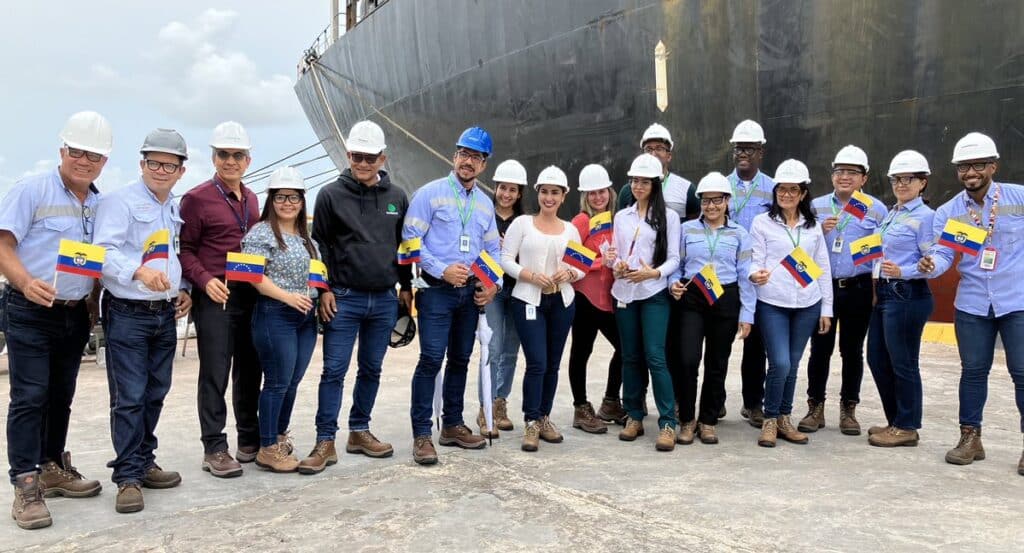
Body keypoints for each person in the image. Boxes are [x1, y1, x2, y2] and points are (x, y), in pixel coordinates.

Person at [0, 111, 110, 529]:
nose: (84, 161)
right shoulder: (31, 190)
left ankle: (50, 465)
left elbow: (97, 258)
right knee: (30, 396)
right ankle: (26, 483)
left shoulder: (98, 203)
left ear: (104, 161)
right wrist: (26, 282)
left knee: (60, 395)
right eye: (77, 151)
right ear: (62, 150)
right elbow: (3, 244)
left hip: (74, 313)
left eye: (94, 155)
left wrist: (94, 301)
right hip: (30, 309)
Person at [92, 129, 192, 513]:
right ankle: (128, 476)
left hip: (164, 312)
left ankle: (145, 461)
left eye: (169, 165)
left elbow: (172, 253)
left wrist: (183, 287)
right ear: (142, 164)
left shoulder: (172, 207)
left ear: (181, 171)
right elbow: (102, 251)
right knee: (129, 396)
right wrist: (137, 271)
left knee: (155, 392)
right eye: (154, 163)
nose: (161, 170)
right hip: (128, 311)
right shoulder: (119, 202)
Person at [304, 121, 411, 474]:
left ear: (383, 158)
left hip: (384, 298)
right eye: (356, 156)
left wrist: (405, 288)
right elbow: (318, 247)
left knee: (372, 368)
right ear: (348, 155)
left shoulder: (397, 197)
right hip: (343, 298)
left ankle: (359, 431)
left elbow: (404, 248)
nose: (362, 163)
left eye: (369, 157)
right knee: (333, 371)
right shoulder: (330, 196)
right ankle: (325, 440)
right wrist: (323, 291)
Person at [918, 132, 1024, 476]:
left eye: (978, 165)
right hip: (973, 304)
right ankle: (970, 438)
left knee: (1022, 373)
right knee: (973, 372)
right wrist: (932, 265)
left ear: (993, 166)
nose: (970, 172)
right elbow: (944, 253)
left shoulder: (1019, 198)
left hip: (1017, 301)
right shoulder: (949, 212)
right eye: (964, 167)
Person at [402, 127, 501, 465]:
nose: (468, 162)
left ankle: (453, 425)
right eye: (464, 154)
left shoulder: (485, 204)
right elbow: (410, 241)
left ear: (484, 164)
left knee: (460, 359)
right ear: (455, 155)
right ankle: (422, 434)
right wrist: (441, 269)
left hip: (469, 294)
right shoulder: (429, 194)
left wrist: (491, 284)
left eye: (475, 157)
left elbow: (492, 250)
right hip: (436, 291)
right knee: (431, 359)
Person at [179, 121, 262, 478]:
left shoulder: (253, 198)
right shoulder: (196, 199)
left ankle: (249, 439)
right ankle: (214, 446)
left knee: (250, 370)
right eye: (224, 154)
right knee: (215, 372)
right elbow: (185, 250)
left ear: (248, 160)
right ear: (213, 157)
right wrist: (204, 281)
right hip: (216, 297)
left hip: (250, 295)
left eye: (237, 155)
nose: (230, 161)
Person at [801, 146, 888, 436]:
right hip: (824, 287)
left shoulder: (876, 209)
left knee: (852, 351)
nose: (845, 177)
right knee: (820, 349)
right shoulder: (816, 206)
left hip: (858, 287)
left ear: (864, 178)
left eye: (852, 172)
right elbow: (802, 246)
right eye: (840, 171)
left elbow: (880, 253)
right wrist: (820, 232)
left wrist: (875, 289)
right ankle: (815, 407)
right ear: (832, 175)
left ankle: (849, 409)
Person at [748, 159, 833, 448]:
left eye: (793, 189)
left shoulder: (813, 226)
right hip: (772, 301)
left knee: (793, 363)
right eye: (781, 189)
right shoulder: (762, 223)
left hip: (808, 303)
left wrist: (826, 308)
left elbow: (823, 267)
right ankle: (770, 419)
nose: (786, 194)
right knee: (780, 362)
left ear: (803, 193)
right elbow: (755, 259)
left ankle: (784, 418)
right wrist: (754, 274)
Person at [500, 166, 584, 451]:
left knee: (553, 363)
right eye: (545, 192)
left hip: (562, 302)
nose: (549, 198)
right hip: (528, 300)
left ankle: (544, 417)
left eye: (555, 193)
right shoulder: (522, 224)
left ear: (563, 196)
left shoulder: (571, 229)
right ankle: (531, 421)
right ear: (537, 193)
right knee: (537, 361)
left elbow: (581, 267)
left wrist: (569, 273)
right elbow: (505, 259)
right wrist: (530, 276)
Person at [669, 172, 755, 445]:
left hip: (726, 297)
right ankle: (687, 420)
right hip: (692, 297)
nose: (711, 206)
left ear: (727, 201)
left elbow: (745, 276)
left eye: (717, 200)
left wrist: (747, 315)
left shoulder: (740, 234)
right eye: (706, 201)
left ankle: (707, 421)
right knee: (687, 359)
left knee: (717, 362)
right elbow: (677, 264)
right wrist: (673, 283)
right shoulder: (686, 230)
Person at [242, 167, 318, 473]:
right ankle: (268, 447)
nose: (288, 203)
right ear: (271, 200)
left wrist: (322, 295)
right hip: (276, 314)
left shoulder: (305, 237)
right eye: (281, 197)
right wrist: (287, 297)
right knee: (277, 382)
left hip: (305, 317)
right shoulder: (260, 233)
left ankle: (280, 436)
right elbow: (253, 277)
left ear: (302, 201)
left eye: (294, 197)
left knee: (292, 382)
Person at [606, 154, 681, 451]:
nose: (638, 186)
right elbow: (616, 253)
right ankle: (634, 415)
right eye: (634, 181)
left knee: (655, 356)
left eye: (644, 182)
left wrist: (653, 273)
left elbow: (674, 259)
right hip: (625, 292)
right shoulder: (621, 217)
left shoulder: (669, 217)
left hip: (653, 293)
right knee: (630, 356)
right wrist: (617, 266)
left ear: (655, 184)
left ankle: (667, 422)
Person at [865, 150, 935, 447]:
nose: (902, 184)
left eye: (909, 179)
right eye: (897, 179)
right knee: (876, 357)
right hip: (885, 293)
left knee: (903, 362)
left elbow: (932, 261)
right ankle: (896, 420)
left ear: (922, 182)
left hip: (907, 294)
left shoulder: (926, 217)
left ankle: (907, 425)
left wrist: (904, 271)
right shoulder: (892, 214)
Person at [727, 119, 777, 427]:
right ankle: (714, 401)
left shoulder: (774, 189)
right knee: (718, 341)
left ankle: (753, 403)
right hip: (725, 274)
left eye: (749, 148)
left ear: (761, 152)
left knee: (756, 343)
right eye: (738, 149)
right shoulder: (721, 186)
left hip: (758, 276)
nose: (743, 153)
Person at [568, 164, 625, 430]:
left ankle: (611, 401)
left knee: (626, 348)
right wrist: (602, 261)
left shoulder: (618, 219)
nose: (598, 197)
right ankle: (580, 407)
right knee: (581, 352)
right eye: (592, 193)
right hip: (585, 299)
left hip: (610, 298)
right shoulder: (581, 222)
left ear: (610, 192)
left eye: (602, 191)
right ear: (585, 196)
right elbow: (570, 259)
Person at [476, 159, 526, 438]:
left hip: (517, 290)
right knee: (492, 348)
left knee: (510, 351)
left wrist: (513, 251)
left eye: (512, 190)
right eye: (503, 188)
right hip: (491, 290)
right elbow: (474, 251)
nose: (506, 194)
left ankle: (499, 402)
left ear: (520, 194)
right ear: (495, 188)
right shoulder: (483, 215)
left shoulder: (524, 222)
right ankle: (484, 406)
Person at [617, 123, 697, 220]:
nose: (653, 154)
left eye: (659, 148)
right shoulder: (628, 191)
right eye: (648, 149)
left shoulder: (687, 189)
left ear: (669, 156)